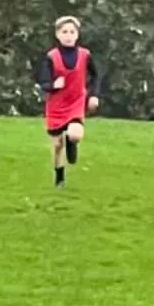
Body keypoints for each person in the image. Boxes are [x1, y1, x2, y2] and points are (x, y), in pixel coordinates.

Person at [36, 14, 101, 188]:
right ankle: (59, 177)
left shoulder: (85, 55)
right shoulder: (51, 57)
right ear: (58, 35)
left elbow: (95, 76)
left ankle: (72, 144)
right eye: (64, 31)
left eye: (72, 31)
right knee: (57, 145)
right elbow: (43, 82)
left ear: (77, 35)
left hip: (76, 101)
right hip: (56, 105)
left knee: (75, 133)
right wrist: (53, 85)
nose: (68, 35)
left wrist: (93, 95)